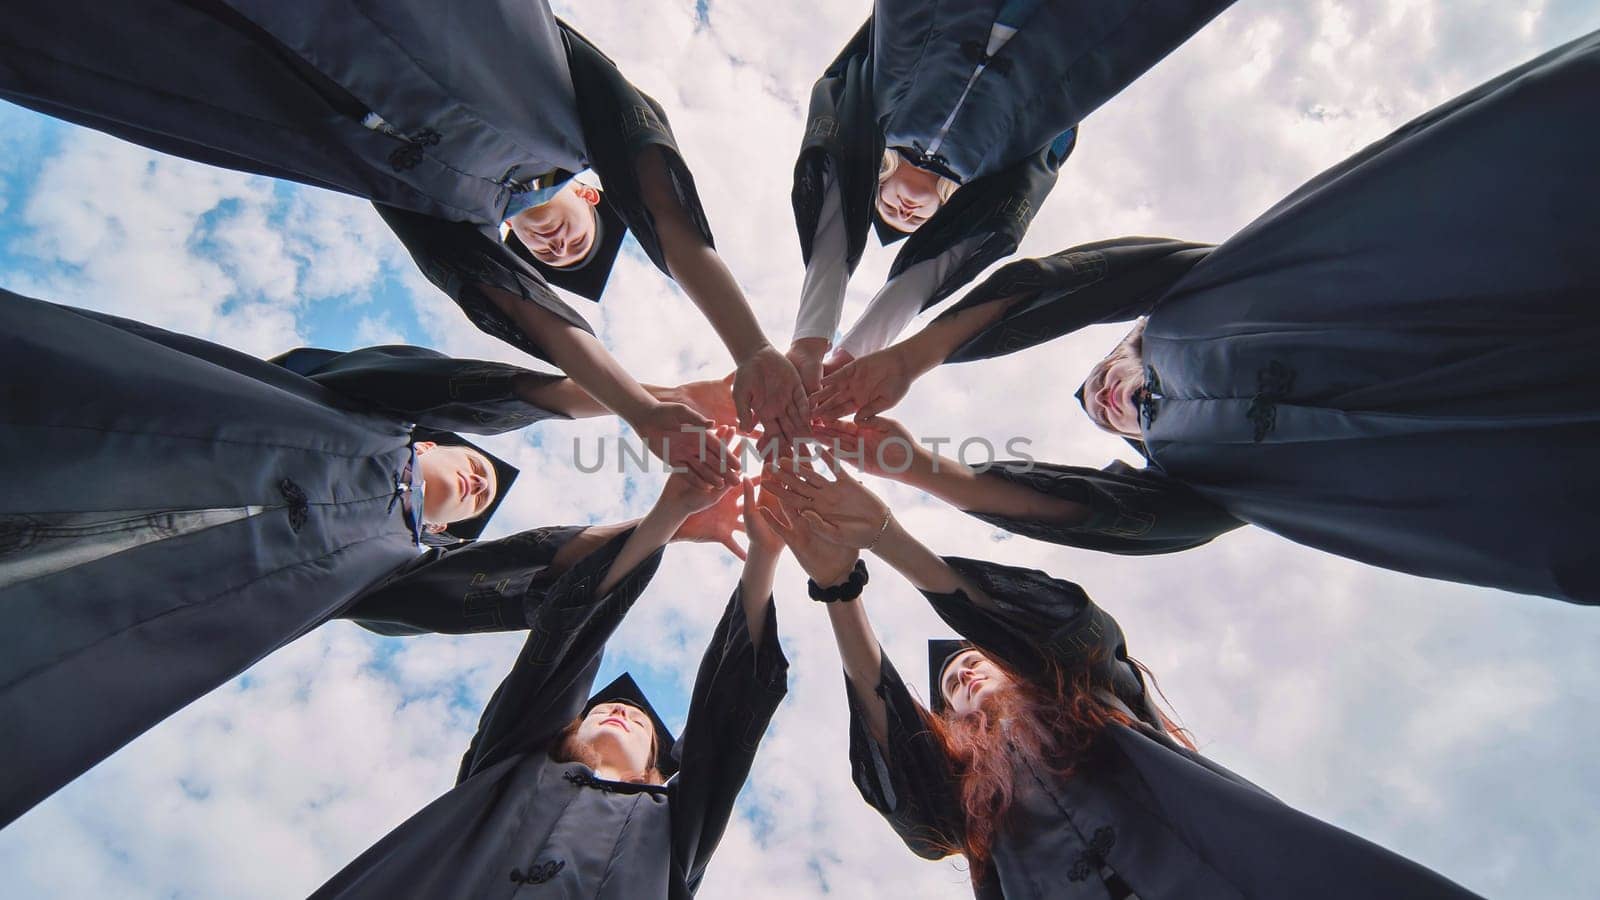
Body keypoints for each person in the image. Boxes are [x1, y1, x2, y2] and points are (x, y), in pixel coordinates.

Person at [809, 31, 1600, 603]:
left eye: (1102, 378)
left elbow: (1069, 281)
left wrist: (916, 355)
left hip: (1456, 271)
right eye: (1111, 423)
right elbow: (1112, 518)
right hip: (1500, 448)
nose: (1109, 402)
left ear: (1128, 333)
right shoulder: (1203, 480)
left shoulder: (1197, 292)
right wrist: (920, 470)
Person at [0, 289, 738, 825]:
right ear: (431, 436)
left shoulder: (376, 571)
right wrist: (651, 397)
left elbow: (519, 577)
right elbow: (472, 390)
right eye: (469, 464)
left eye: (472, 512)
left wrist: (667, 525)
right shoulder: (359, 413)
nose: (478, 487)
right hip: (92, 428)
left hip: (85, 611)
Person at [0, 0, 809, 466]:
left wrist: (639, 409)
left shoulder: (441, 206)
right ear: (596, 196)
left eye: (547, 256)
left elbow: (531, 314)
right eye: (576, 236)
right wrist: (752, 348)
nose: (558, 249)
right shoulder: (564, 111)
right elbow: (660, 199)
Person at [759, 452, 1482, 899]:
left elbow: (1071, 628)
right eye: (950, 688)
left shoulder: (1091, 692)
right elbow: (903, 786)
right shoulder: (969, 803)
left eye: (978, 661)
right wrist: (839, 588)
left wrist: (890, 537)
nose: (965, 675)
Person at [311, 474, 789, 898]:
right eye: (599, 711)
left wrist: (763, 553)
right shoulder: (511, 757)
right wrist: (668, 515)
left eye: (638, 721)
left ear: (656, 766)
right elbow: (565, 645)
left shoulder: (674, 828)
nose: (618, 711)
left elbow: (725, 723)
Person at [786, 0, 1235, 390]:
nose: (903, 211)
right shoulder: (998, 159)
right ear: (947, 212)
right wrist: (852, 355)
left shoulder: (880, 108)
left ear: (875, 180)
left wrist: (809, 340)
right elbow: (930, 269)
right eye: (917, 221)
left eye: (884, 206)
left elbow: (837, 215)